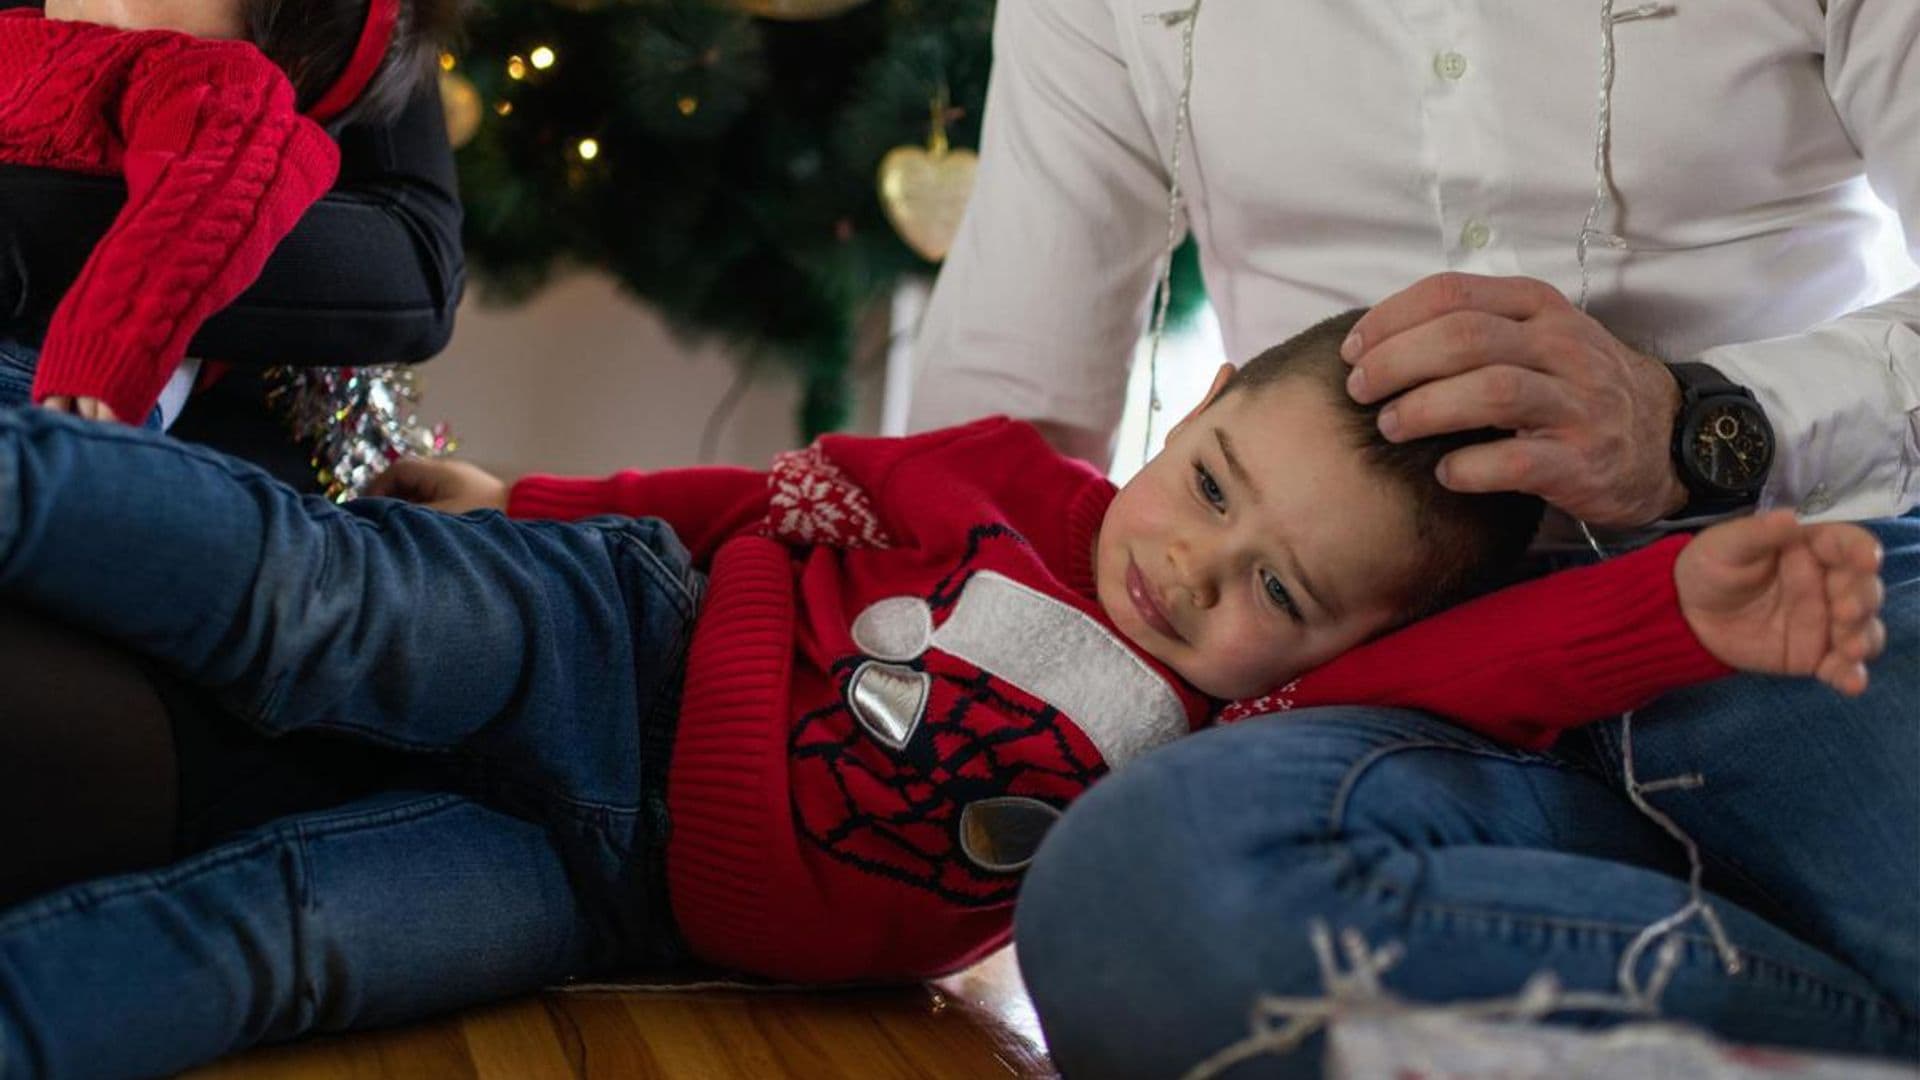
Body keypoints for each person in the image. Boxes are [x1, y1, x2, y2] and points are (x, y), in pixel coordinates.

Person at [0, 308, 1886, 1077]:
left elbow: (1504, 663)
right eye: (1210, 482)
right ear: (1195, 408)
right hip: (617, 638)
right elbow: (754, 499)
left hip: (612, 904)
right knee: (306, 595)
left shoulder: (1243, 733)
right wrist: (530, 505)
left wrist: (1686, 608)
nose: (1191, 565)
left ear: (1326, 663)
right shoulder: (1011, 486)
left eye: (1273, 593)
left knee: (295, 947)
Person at [904, 0, 1920, 1072]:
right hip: (1368, 686)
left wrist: (1698, 426)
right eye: (1207, 483)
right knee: (1142, 895)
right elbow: (1001, 434)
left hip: (1810, 589)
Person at [0, 0, 460, 429]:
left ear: (269, 56)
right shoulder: (23, 32)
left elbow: (195, 216)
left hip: (44, 372)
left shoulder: (209, 78)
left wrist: (104, 348)